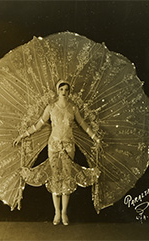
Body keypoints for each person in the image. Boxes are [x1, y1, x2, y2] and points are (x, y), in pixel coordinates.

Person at [14, 81, 102, 226]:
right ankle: (56, 212)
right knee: (55, 178)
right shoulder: (51, 107)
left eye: (66, 89)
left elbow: (83, 124)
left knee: (67, 177)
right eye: (61, 89)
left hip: (69, 146)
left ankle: (64, 212)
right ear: (57, 90)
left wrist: (95, 137)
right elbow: (38, 124)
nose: (64, 92)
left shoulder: (73, 108)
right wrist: (23, 135)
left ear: (69, 92)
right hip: (54, 145)